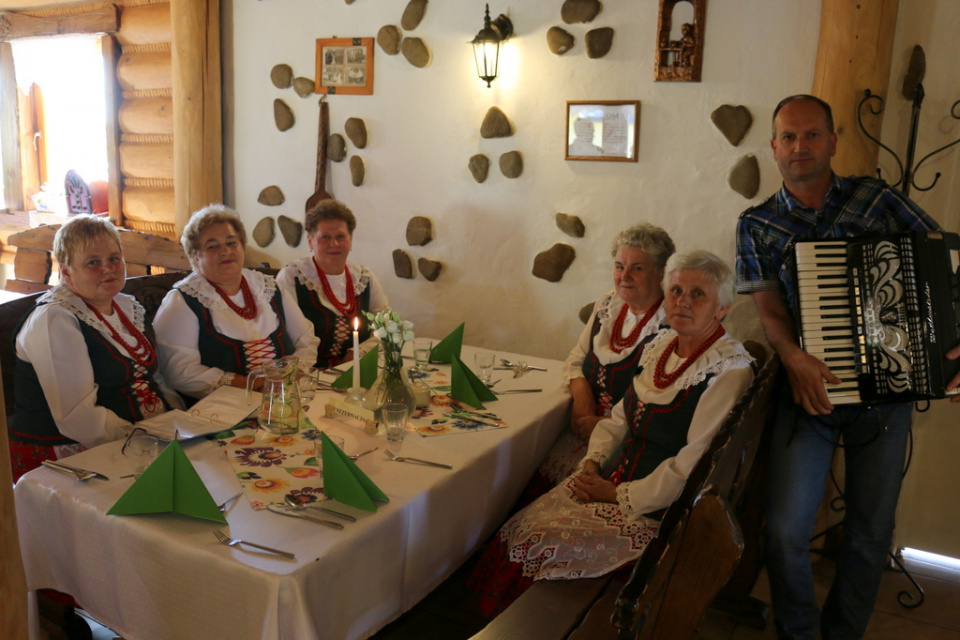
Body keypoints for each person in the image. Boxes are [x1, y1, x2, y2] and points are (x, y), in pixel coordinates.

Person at [735, 94, 960, 640]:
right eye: (788, 136)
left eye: (812, 134)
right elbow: (768, 306)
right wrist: (792, 357)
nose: (799, 146)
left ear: (834, 141)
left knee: (869, 533)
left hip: (886, 394)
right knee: (785, 531)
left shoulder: (876, 197)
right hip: (806, 391)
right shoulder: (757, 223)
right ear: (773, 147)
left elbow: (944, 260)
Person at [470, 250, 755, 616]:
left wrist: (618, 495)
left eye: (698, 294)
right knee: (518, 527)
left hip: (657, 509)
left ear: (722, 308)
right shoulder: (662, 346)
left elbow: (692, 468)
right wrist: (593, 461)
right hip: (615, 477)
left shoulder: (727, 370)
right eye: (676, 291)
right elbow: (620, 418)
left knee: (539, 543)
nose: (682, 301)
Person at [9, 215, 182, 481]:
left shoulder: (126, 306)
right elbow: (77, 417)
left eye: (114, 258)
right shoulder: (54, 320)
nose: (108, 269)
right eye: (93, 262)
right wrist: (147, 439)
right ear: (66, 272)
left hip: (144, 438)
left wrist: (179, 418)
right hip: (68, 457)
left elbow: (153, 376)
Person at [535, 223, 675, 488]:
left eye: (637, 268)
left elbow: (663, 409)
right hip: (581, 427)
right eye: (619, 266)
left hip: (627, 444)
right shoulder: (609, 304)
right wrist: (582, 397)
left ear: (661, 272)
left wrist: (604, 425)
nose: (624, 276)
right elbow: (577, 356)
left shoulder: (671, 325)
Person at [154, 204, 319, 400]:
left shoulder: (268, 287)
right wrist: (253, 384)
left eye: (232, 243)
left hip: (285, 398)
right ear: (196, 256)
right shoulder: (184, 300)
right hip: (221, 410)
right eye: (213, 246)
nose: (225, 251)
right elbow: (181, 373)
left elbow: (306, 338)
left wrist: (291, 370)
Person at [276, 199, 387, 369]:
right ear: (310, 241)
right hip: (307, 377)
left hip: (357, 371)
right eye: (325, 237)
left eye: (340, 237)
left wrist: (360, 351)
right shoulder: (292, 277)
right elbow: (281, 336)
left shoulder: (364, 277)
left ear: (350, 240)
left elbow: (386, 327)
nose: (334, 244)